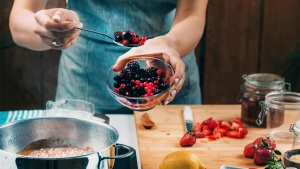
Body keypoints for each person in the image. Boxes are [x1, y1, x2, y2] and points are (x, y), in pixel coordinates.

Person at [9, 0, 208, 114]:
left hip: (167, 71)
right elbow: (20, 21)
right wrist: (50, 30)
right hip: (86, 84)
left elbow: (193, 15)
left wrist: (169, 43)